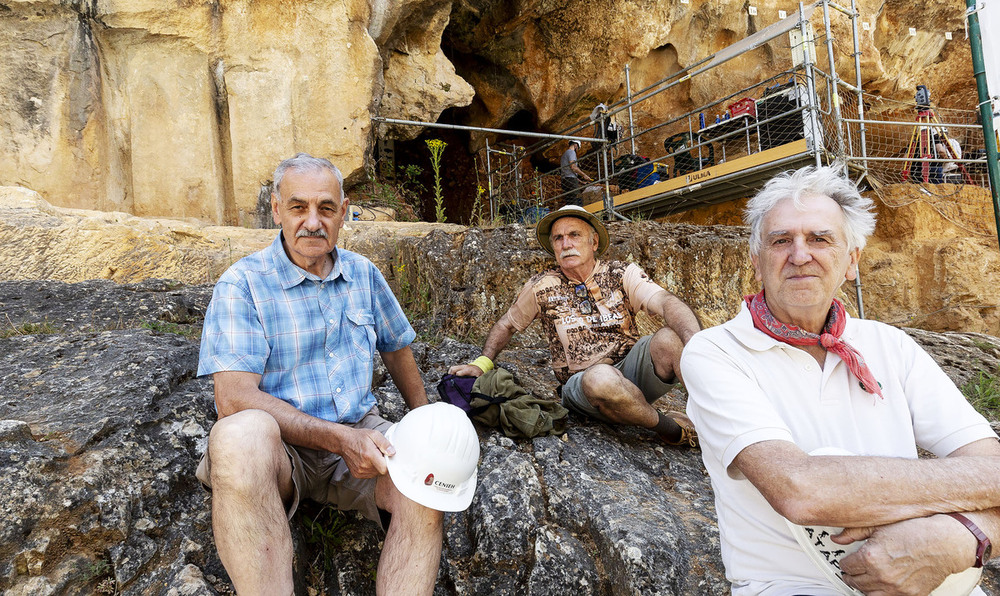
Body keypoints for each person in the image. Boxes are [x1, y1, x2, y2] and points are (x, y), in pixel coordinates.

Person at [681, 165, 1000, 595]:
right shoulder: (714, 352)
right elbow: (800, 490)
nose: (799, 255)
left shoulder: (891, 345)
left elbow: (989, 462)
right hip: (793, 587)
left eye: (819, 238)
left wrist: (962, 537)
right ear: (756, 263)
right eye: (780, 241)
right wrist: (969, 491)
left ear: (851, 261)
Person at [196, 153, 443, 596]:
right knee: (237, 435)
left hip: (360, 433)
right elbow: (232, 398)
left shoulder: (363, 274)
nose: (313, 221)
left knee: (427, 476)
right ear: (276, 210)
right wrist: (337, 439)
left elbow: (397, 348)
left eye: (326, 208)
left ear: (343, 212)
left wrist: (426, 424)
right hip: (281, 447)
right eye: (298, 207)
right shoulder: (243, 283)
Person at [449, 205, 701, 446]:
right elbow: (507, 325)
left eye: (574, 235)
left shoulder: (620, 272)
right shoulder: (542, 286)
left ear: (594, 242)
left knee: (672, 338)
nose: (566, 244)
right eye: (558, 238)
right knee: (601, 379)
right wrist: (481, 364)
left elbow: (666, 302)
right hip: (585, 384)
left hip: (633, 369)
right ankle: (673, 429)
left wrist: (694, 341)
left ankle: (713, 418)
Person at [560, 140, 592, 206]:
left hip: (564, 180)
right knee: (576, 199)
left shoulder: (564, 155)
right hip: (571, 181)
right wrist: (584, 175)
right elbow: (573, 167)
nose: (577, 150)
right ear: (575, 145)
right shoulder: (571, 152)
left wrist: (581, 181)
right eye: (577, 148)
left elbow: (568, 173)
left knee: (569, 201)